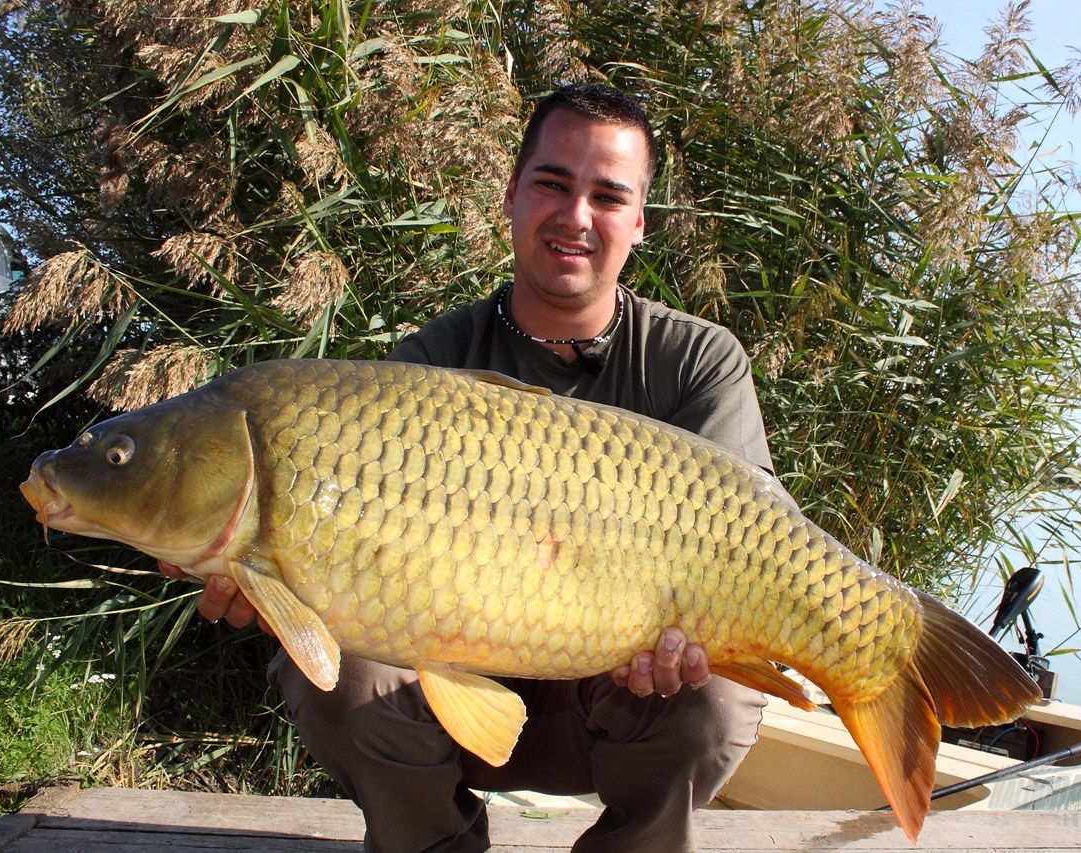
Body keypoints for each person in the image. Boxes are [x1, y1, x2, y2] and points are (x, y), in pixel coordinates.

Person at [163, 83, 772, 852]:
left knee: (715, 695)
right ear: (512, 194)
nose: (576, 216)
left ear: (639, 222)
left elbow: (754, 546)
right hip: (453, 712)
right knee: (333, 677)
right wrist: (269, 577)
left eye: (608, 196)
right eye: (552, 183)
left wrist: (693, 645)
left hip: (626, 703)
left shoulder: (696, 361)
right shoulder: (427, 366)